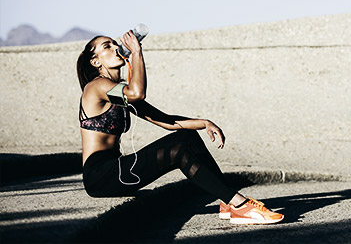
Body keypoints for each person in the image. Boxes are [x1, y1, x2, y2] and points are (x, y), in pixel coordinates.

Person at [76, 31, 283, 224]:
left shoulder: (117, 92)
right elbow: (137, 92)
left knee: (187, 137)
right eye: (107, 46)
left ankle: (229, 201)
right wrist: (137, 52)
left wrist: (204, 123)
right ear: (95, 61)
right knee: (180, 146)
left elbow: (166, 121)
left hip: (116, 168)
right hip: (101, 175)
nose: (115, 47)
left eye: (114, 43)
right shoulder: (96, 86)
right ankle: (239, 204)